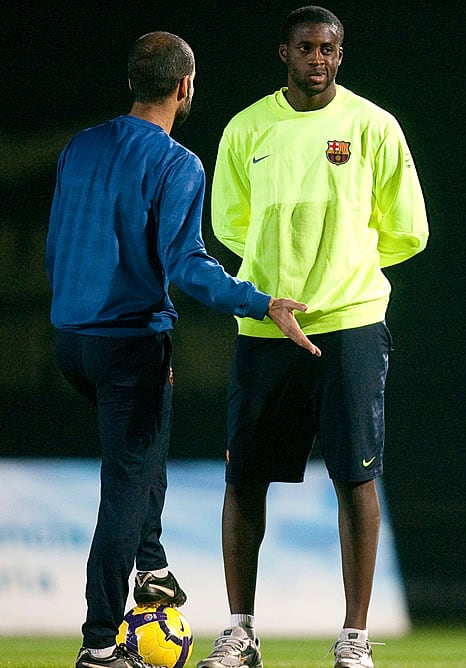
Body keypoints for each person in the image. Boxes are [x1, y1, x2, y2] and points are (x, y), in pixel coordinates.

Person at [45, 31, 321, 668]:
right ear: (185, 87)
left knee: (144, 457)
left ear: (135, 83)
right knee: (125, 488)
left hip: (72, 343)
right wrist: (262, 302)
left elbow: (57, 244)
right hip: (127, 345)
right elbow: (189, 268)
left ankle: (153, 568)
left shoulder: (79, 146)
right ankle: (97, 645)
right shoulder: (176, 163)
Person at [196, 6, 428, 668]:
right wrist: (279, 282)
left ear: (339, 55)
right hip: (265, 323)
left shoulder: (372, 126)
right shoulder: (247, 128)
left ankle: (353, 639)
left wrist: (340, 273)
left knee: (356, 478)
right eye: (306, 48)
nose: (318, 58)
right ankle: (241, 633)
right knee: (244, 479)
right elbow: (231, 226)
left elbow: (407, 228)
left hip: (350, 324)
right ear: (284, 54)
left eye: (329, 48)